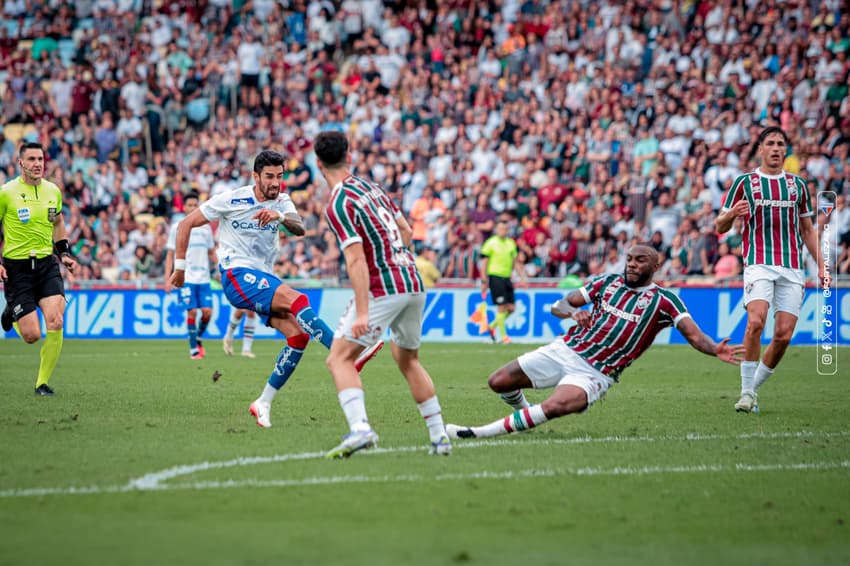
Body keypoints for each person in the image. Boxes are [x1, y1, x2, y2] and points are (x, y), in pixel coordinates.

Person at [169, 149, 380, 428]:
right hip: (236, 275)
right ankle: (346, 354)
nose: (275, 182)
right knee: (298, 299)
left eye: (279, 176)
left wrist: (279, 217)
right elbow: (186, 224)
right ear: (255, 176)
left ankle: (263, 402)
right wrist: (180, 268)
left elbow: (299, 228)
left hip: (263, 276)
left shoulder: (282, 201)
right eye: (269, 177)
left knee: (298, 337)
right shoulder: (232, 199)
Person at [446, 245, 744, 440]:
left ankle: (479, 433)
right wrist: (575, 313)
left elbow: (694, 335)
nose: (631, 265)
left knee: (559, 404)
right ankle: (523, 413)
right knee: (498, 381)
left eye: (640, 261)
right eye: (629, 259)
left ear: (655, 266)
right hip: (565, 349)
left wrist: (714, 348)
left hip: (596, 372)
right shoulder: (606, 283)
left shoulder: (665, 301)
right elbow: (558, 306)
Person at [315, 130, 451, 459]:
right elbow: (405, 231)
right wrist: (398, 260)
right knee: (408, 359)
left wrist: (363, 313)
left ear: (318, 164)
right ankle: (439, 437)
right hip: (414, 281)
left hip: (384, 286)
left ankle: (360, 429)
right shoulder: (372, 188)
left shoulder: (338, 202)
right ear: (349, 155)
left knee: (339, 358)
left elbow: (356, 259)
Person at [715, 126, 821, 413]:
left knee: (784, 335)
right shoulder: (744, 182)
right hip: (758, 263)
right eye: (770, 143)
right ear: (760, 149)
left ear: (785, 150)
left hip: (791, 268)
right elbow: (719, 226)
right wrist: (732, 216)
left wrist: (822, 265)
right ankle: (746, 392)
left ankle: (754, 389)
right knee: (756, 322)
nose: (776, 148)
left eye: (780, 144)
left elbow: (808, 229)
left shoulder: (797, 186)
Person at [0, 142, 79, 396]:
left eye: (41, 159)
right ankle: (11, 310)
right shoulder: (7, 192)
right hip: (17, 269)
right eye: (31, 159)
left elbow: (57, 222)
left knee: (56, 319)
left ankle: (41, 384)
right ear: (20, 162)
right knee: (32, 335)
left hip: (46, 265)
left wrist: (64, 253)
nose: (37, 164)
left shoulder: (52, 191)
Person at [164, 192, 217, 359]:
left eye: (196, 205)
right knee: (192, 312)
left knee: (207, 312)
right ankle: (194, 348)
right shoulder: (177, 227)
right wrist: (168, 279)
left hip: (204, 278)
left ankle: (197, 336)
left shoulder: (206, 228)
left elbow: (211, 253)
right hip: (186, 278)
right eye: (190, 205)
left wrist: (223, 269)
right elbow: (170, 255)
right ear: (184, 207)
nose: (193, 208)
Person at [480, 218, 527, 344]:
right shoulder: (490, 243)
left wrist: (522, 278)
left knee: (511, 308)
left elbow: (515, 263)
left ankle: (491, 326)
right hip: (495, 276)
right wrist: (483, 279)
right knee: (501, 307)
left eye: (505, 229)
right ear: (496, 229)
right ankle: (504, 337)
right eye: (501, 228)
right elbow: (484, 263)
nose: (503, 231)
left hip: (507, 277)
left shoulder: (510, 243)